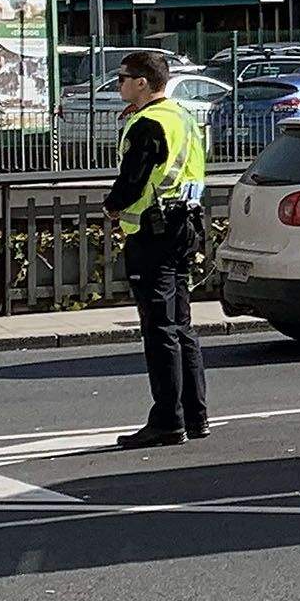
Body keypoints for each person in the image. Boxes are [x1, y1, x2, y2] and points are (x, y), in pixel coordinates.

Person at [103, 51, 209, 449]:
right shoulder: (180, 116)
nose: (118, 85)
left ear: (143, 83)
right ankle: (195, 415)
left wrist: (112, 207)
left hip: (153, 232)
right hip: (184, 227)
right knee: (181, 325)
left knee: (159, 328)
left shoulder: (148, 124)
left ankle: (167, 420)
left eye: (123, 78)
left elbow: (133, 180)